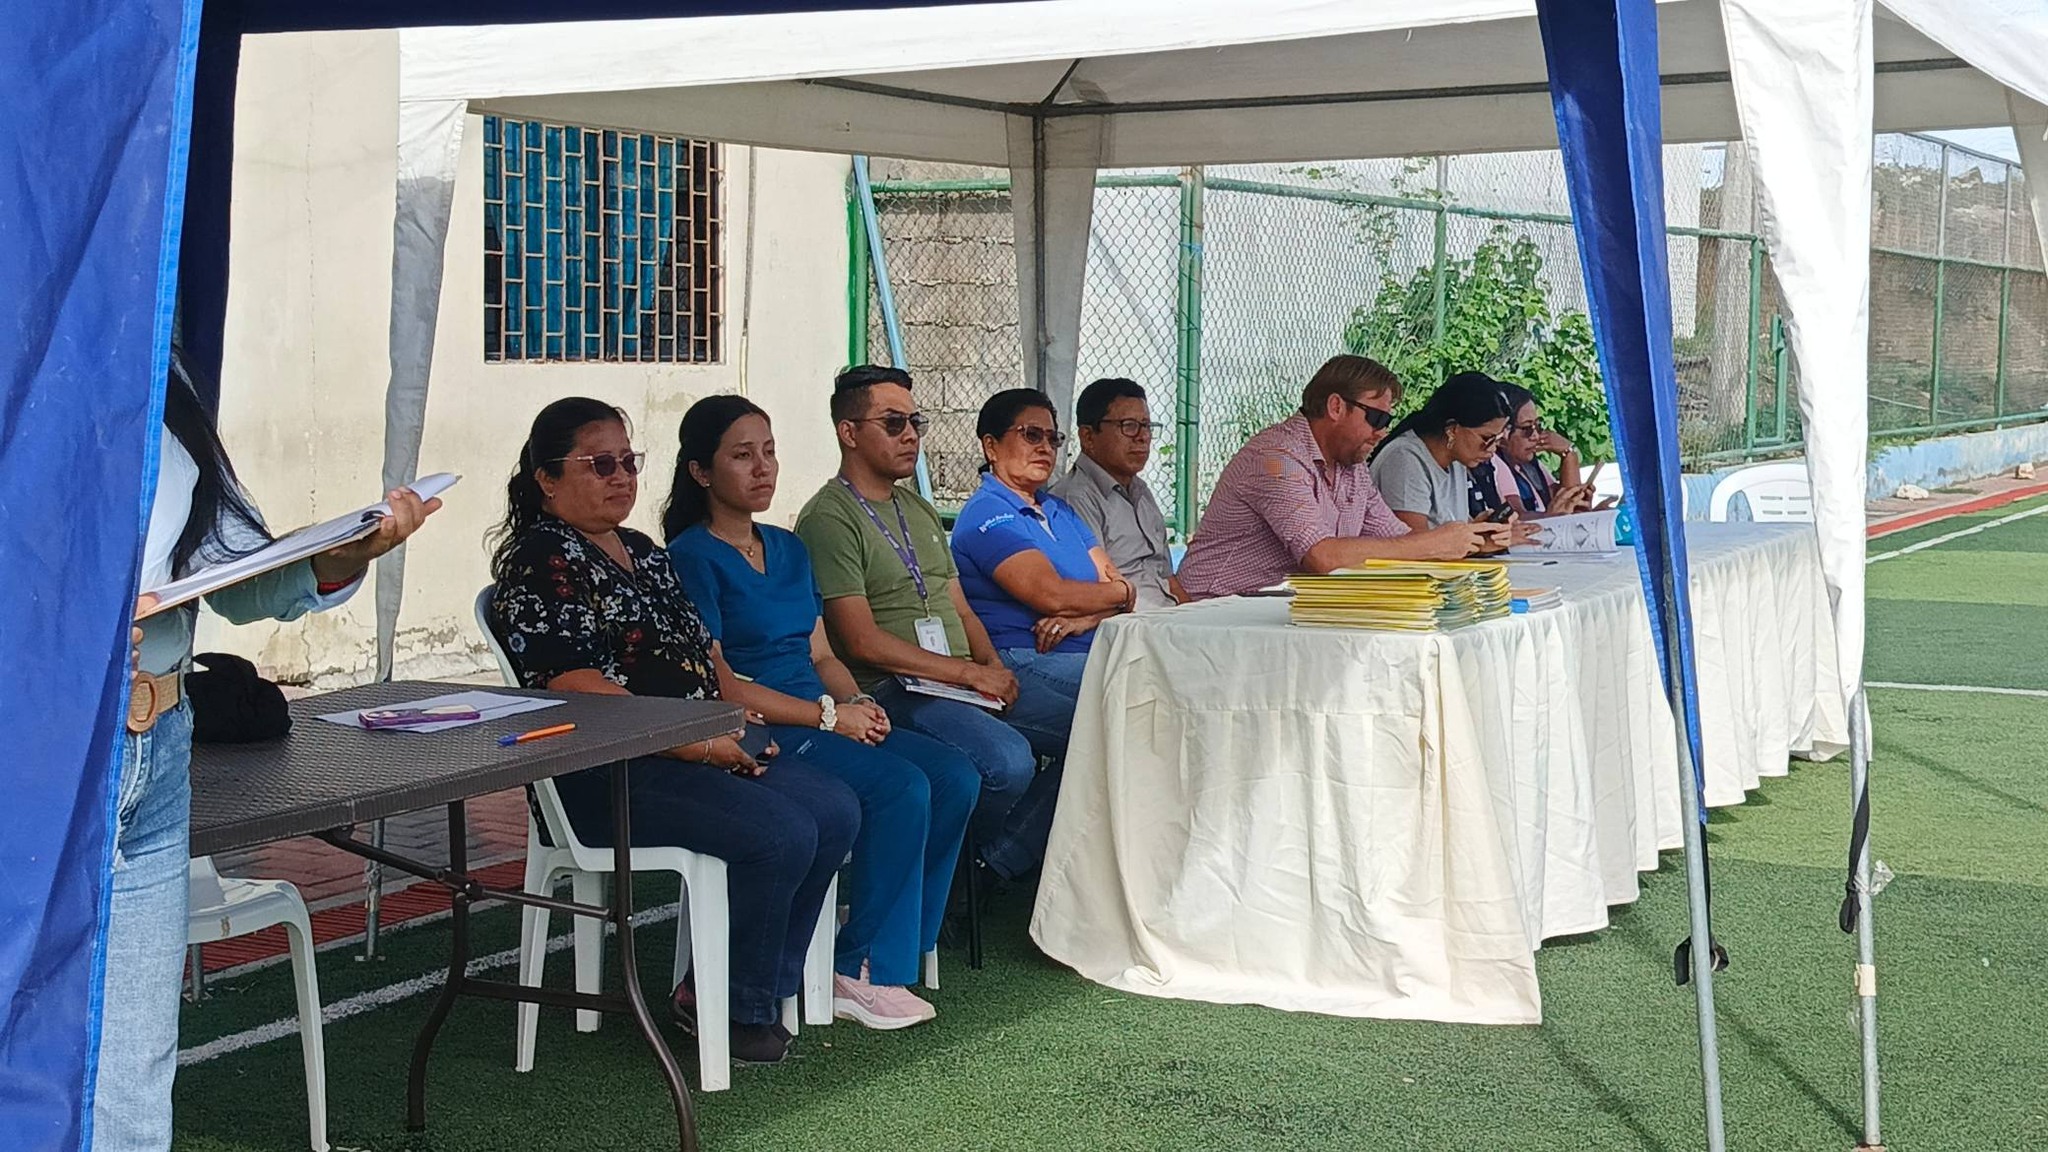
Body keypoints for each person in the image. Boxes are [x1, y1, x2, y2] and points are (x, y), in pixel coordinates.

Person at [100, 349, 440, 1152]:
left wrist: (340, 556)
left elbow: (228, 570)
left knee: (133, 1063)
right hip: (49, 746)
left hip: (158, 742)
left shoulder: (156, 353)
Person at [489, 397, 859, 1066]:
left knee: (834, 809)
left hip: (692, 748)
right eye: (600, 464)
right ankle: (728, 1005)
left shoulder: (640, 550)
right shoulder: (543, 559)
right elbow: (574, 684)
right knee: (779, 832)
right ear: (547, 478)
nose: (621, 477)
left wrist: (736, 720)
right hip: (607, 769)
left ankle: (748, 986)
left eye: (628, 462)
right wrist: (693, 741)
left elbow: (706, 656)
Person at [663, 395, 976, 1029]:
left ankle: (890, 937)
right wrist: (827, 717)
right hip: (769, 727)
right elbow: (724, 686)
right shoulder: (691, 557)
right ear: (701, 472)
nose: (763, 468)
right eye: (742, 456)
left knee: (954, 776)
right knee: (900, 787)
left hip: (819, 710)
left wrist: (854, 701)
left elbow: (822, 652)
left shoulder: (786, 547)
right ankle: (860, 968)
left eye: (769, 452)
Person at [794, 366, 1054, 881]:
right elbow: (861, 641)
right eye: (894, 423)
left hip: (962, 682)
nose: (911, 434)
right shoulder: (829, 518)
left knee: (1096, 727)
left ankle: (996, 859)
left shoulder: (918, 509)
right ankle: (965, 871)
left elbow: (961, 608)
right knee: (1007, 762)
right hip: (897, 688)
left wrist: (992, 667)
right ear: (849, 432)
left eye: (916, 422)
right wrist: (969, 674)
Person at [1176, 354, 1512, 600]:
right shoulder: (1277, 458)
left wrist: (1470, 542)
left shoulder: (1352, 467)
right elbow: (1322, 558)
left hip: (1275, 612)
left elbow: (1400, 541)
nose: (1382, 433)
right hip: (1213, 611)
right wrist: (1434, 544)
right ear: (1336, 406)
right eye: (1377, 419)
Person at [1049, 377, 1178, 611]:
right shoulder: (1074, 499)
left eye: (1147, 425)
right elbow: (1099, 591)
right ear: (1088, 437)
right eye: (1128, 425)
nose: (1143, 436)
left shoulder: (1141, 490)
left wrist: (1196, 618)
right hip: (1128, 623)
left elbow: (1168, 578)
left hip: (1168, 616)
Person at [1368, 370, 1541, 534]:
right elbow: (1414, 545)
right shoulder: (1404, 460)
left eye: (1497, 439)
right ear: (1452, 429)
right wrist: (1478, 541)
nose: (1492, 449)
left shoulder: (1456, 459)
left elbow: (1453, 529)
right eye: (1487, 438)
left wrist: (1485, 531)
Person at [1471, 381, 1595, 517]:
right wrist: (1549, 517)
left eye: (1538, 426)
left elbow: (1567, 504)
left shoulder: (1531, 465)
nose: (1535, 436)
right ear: (1502, 431)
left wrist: (1569, 455)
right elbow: (1517, 517)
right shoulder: (1493, 463)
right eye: (1527, 428)